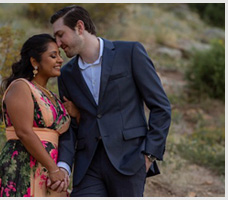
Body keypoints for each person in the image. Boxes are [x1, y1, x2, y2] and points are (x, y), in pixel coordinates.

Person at [48, 5, 172, 197]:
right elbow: (69, 125)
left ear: (80, 27)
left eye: (60, 34)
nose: (57, 42)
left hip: (129, 160)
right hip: (87, 165)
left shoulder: (130, 52)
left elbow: (161, 106)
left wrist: (149, 155)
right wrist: (63, 166)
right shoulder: (66, 74)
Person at [0, 34, 76, 197]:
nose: (60, 60)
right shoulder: (21, 87)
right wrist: (53, 169)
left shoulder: (51, 96)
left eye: (59, 55)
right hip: (23, 167)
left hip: (49, 173)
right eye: (53, 55)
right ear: (34, 61)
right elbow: (24, 132)